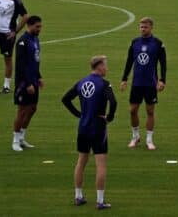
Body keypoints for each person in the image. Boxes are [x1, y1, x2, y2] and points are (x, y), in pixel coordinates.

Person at [62, 55, 117, 210]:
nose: (107, 68)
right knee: (101, 165)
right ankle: (100, 201)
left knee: (81, 161)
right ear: (99, 66)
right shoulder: (104, 84)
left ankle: (78, 196)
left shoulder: (82, 82)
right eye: (105, 65)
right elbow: (113, 102)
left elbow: (65, 99)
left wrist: (79, 114)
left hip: (83, 127)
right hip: (98, 127)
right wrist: (110, 118)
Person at [119, 17, 168, 150]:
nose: (142, 29)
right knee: (133, 110)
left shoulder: (158, 43)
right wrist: (124, 79)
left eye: (145, 27)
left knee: (150, 111)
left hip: (151, 83)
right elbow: (129, 62)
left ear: (151, 27)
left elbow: (163, 63)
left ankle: (149, 139)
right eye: (141, 27)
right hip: (137, 83)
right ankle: (135, 137)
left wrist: (162, 80)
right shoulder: (134, 43)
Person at [12, 16, 43, 152]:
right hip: (24, 83)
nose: (39, 29)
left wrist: (39, 77)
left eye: (40, 27)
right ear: (29, 26)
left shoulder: (35, 39)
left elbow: (34, 61)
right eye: (37, 27)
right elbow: (21, 65)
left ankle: (22, 137)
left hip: (33, 80)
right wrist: (28, 83)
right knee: (22, 110)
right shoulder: (22, 42)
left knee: (32, 109)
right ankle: (15, 140)